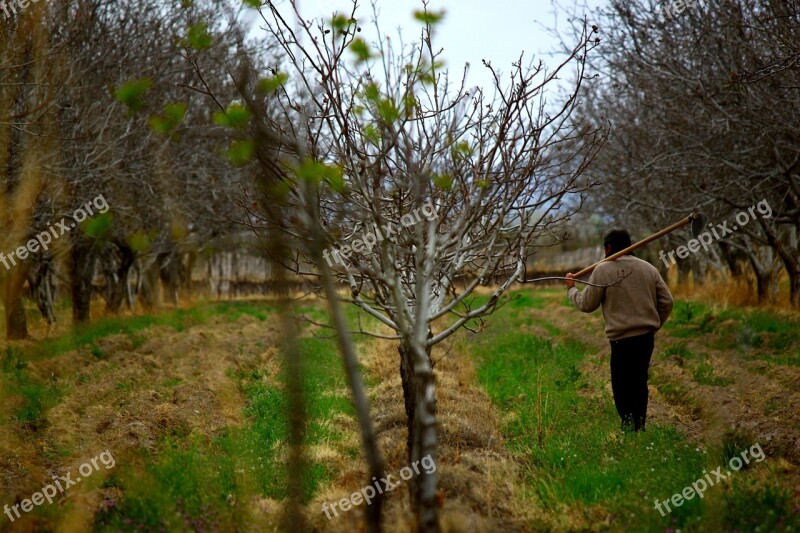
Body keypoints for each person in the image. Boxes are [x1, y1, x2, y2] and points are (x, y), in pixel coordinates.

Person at [565, 229, 673, 432]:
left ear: (608, 248)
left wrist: (571, 289)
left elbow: (587, 304)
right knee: (639, 381)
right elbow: (667, 301)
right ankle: (639, 427)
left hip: (621, 340)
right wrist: (653, 325)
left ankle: (627, 426)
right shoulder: (649, 268)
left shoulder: (603, 270)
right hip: (645, 338)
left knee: (621, 385)